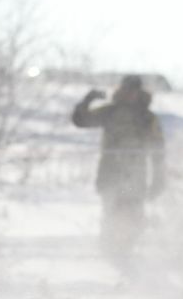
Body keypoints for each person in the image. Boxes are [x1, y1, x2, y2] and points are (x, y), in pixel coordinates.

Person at [71, 75, 166, 257]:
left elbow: (158, 150)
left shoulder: (147, 118)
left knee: (133, 217)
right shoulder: (111, 112)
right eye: (126, 90)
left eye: (133, 91)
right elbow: (81, 121)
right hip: (110, 174)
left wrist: (159, 179)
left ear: (139, 93)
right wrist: (87, 100)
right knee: (111, 215)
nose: (129, 94)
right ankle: (109, 252)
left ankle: (127, 251)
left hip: (136, 177)